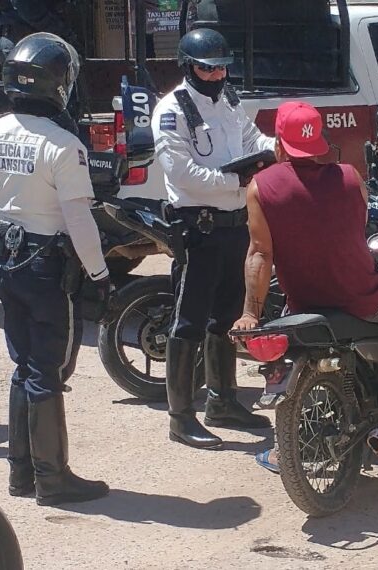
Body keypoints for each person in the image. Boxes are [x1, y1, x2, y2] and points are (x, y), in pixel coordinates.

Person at [232, 101, 378, 472]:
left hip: (303, 303)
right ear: (319, 142)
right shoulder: (351, 179)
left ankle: (286, 445)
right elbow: (358, 225)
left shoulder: (260, 189)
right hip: (367, 298)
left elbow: (259, 254)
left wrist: (248, 313)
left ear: (279, 145)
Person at [0, 33, 114, 506]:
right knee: (47, 369)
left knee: (23, 365)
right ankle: (53, 478)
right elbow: (78, 220)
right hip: (47, 264)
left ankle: (21, 474)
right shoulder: (64, 145)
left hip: (6, 259)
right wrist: (100, 276)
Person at [152, 28, 275, 449]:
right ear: (189, 67)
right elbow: (182, 174)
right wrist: (237, 181)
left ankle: (222, 400)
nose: (218, 73)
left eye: (223, 66)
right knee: (188, 323)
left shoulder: (229, 100)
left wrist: (276, 152)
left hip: (235, 224)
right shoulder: (172, 110)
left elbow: (252, 140)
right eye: (209, 67)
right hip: (198, 227)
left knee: (226, 318)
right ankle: (180, 417)